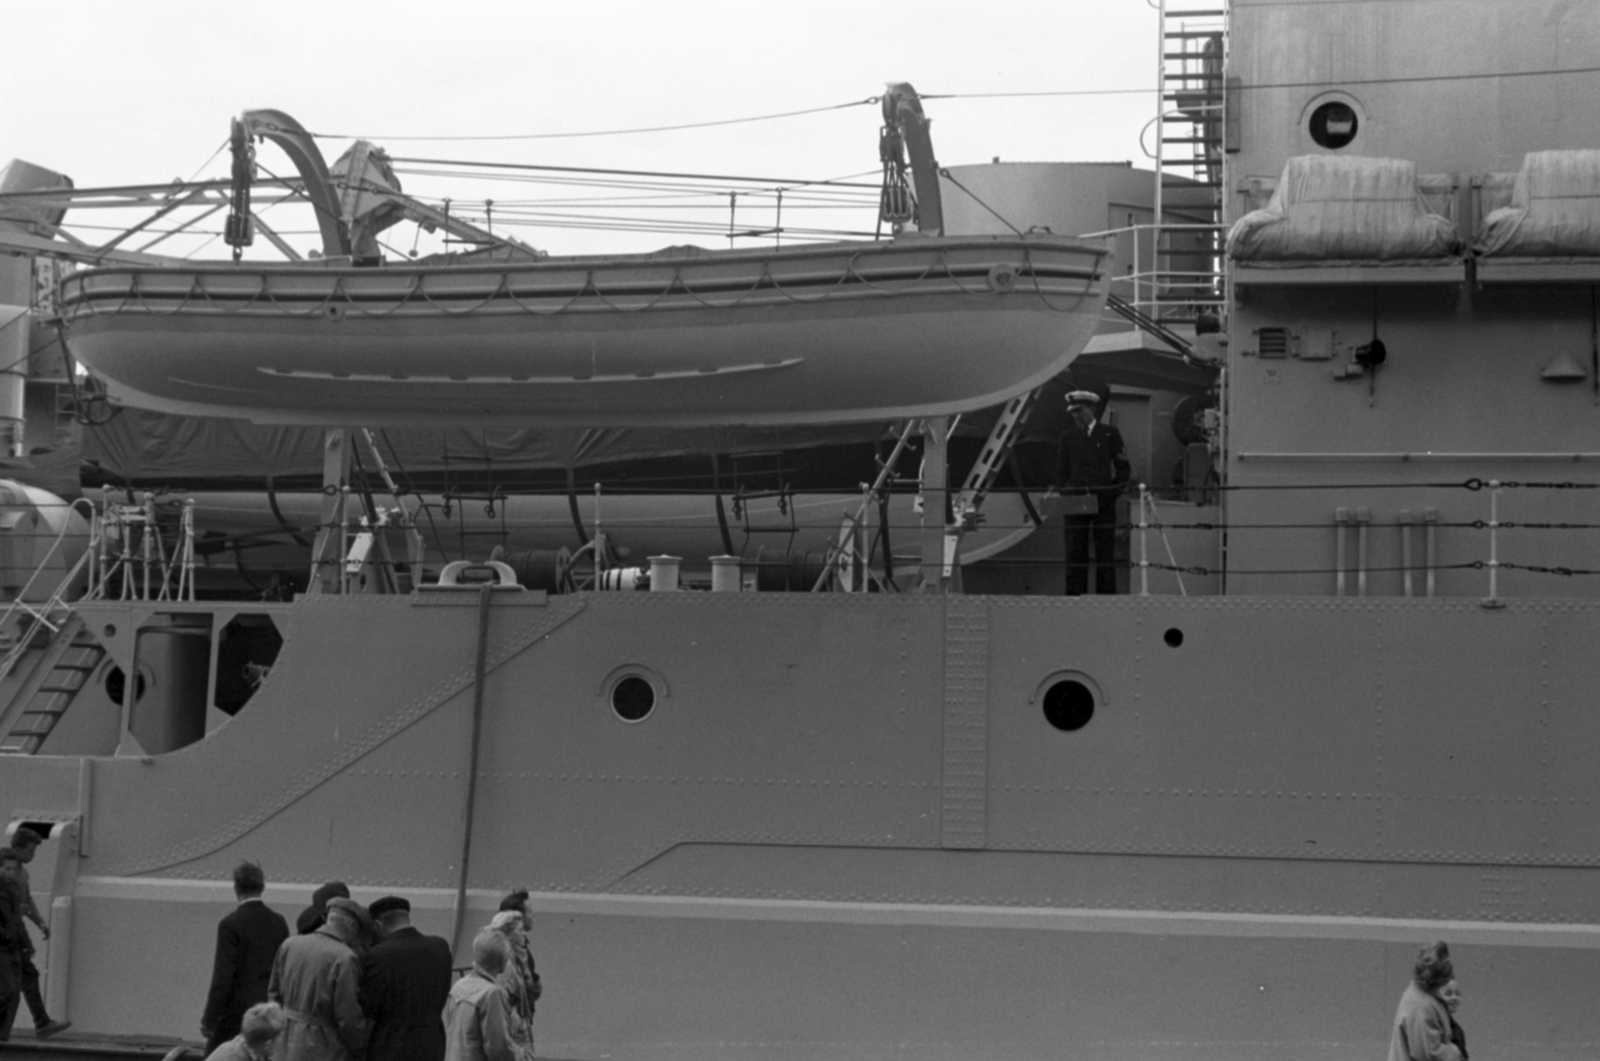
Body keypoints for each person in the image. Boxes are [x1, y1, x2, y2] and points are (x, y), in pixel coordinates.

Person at [202, 861, 290, 1054]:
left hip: (238, 1016)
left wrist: (209, 1021)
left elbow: (222, 979)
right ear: (263, 887)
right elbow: (285, 970)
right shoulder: (279, 922)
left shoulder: (229, 924)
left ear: (236, 888)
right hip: (270, 1015)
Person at [268, 897, 368, 1061]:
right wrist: (361, 1047)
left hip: (284, 1042)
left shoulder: (289, 944)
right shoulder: (344, 957)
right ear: (351, 927)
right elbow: (347, 1016)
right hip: (323, 1047)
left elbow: (274, 994)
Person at [1055, 389, 1130, 596]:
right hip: (1076, 501)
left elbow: (1123, 469)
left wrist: (1111, 493)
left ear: (1091, 409)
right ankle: (1074, 599)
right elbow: (1061, 473)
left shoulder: (1109, 434)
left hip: (1103, 501)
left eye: (1079, 410)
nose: (1075, 415)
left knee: (1105, 552)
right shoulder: (1068, 437)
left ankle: (1106, 599)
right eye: (1073, 412)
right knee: (1074, 551)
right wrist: (1066, 494)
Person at [359, 896, 452, 1061]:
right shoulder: (440, 947)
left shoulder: (378, 956)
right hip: (432, 1046)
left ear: (378, 925)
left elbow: (369, 1010)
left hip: (390, 1049)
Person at [6, 830, 68, 1038]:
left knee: (24, 977)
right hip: (7, 934)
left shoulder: (22, 873)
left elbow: (27, 901)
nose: (33, 855)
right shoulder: (8, 873)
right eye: (30, 851)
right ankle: (41, 1022)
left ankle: (42, 1022)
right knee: (17, 981)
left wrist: (40, 922)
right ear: (17, 850)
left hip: (12, 933)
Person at [444, 929, 525, 1061]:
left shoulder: (459, 985)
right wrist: (521, 1054)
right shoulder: (492, 994)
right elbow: (499, 1050)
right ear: (502, 962)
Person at [1387, 941, 1462, 1061]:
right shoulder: (1422, 1005)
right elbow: (1429, 1054)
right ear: (1438, 978)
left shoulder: (1417, 992)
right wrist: (1455, 1052)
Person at [0, 851, 26, 1041]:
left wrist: (26, 943)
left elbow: (17, 920)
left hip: (13, 946)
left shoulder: (13, 889)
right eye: (6, 868)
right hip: (2, 946)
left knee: (15, 993)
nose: (10, 872)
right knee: (8, 989)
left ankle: (3, 1036)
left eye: (13, 869)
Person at [206, 1001, 287, 1061]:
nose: (281, 1041)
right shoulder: (233, 1057)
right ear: (267, 1045)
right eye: (279, 1037)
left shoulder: (253, 1051)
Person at [1440, 978, 1466, 1061]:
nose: (1455, 998)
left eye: (1458, 994)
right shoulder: (1430, 1025)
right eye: (1448, 994)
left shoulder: (1457, 1030)